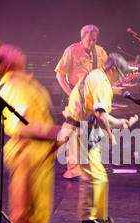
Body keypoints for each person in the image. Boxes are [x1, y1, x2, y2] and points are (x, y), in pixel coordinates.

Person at [0, 43, 63, 223]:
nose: (18, 50)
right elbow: (21, 126)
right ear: (6, 63)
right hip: (27, 155)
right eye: (11, 50)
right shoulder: (14, 86)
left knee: (38, 212)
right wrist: (55, 132)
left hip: (39, 156)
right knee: (25, 213)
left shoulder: (24, 82)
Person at [61, 53, 130, 223]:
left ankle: (98, 215)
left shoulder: (95, 76)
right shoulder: (101, 81)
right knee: (93, 175)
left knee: (97, 174)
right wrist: (110, 134)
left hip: (85, 129)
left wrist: (118, 122)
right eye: (120, 76)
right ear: (113, 69)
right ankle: (89, 218)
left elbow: (99, 113)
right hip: (82, 130)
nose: (119, 80)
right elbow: (100, 114)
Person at [55, 25, 108, 179]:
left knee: (92, 131)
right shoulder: (71, 50)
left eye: (94, 40)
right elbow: (59, 73)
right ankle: (73, 169)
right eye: (89, 40)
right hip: (75, 95)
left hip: (93, 98)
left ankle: (89, 165)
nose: (92, 43)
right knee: (75, 132)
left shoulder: (101, 51)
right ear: (82, 38)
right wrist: (71, 93)